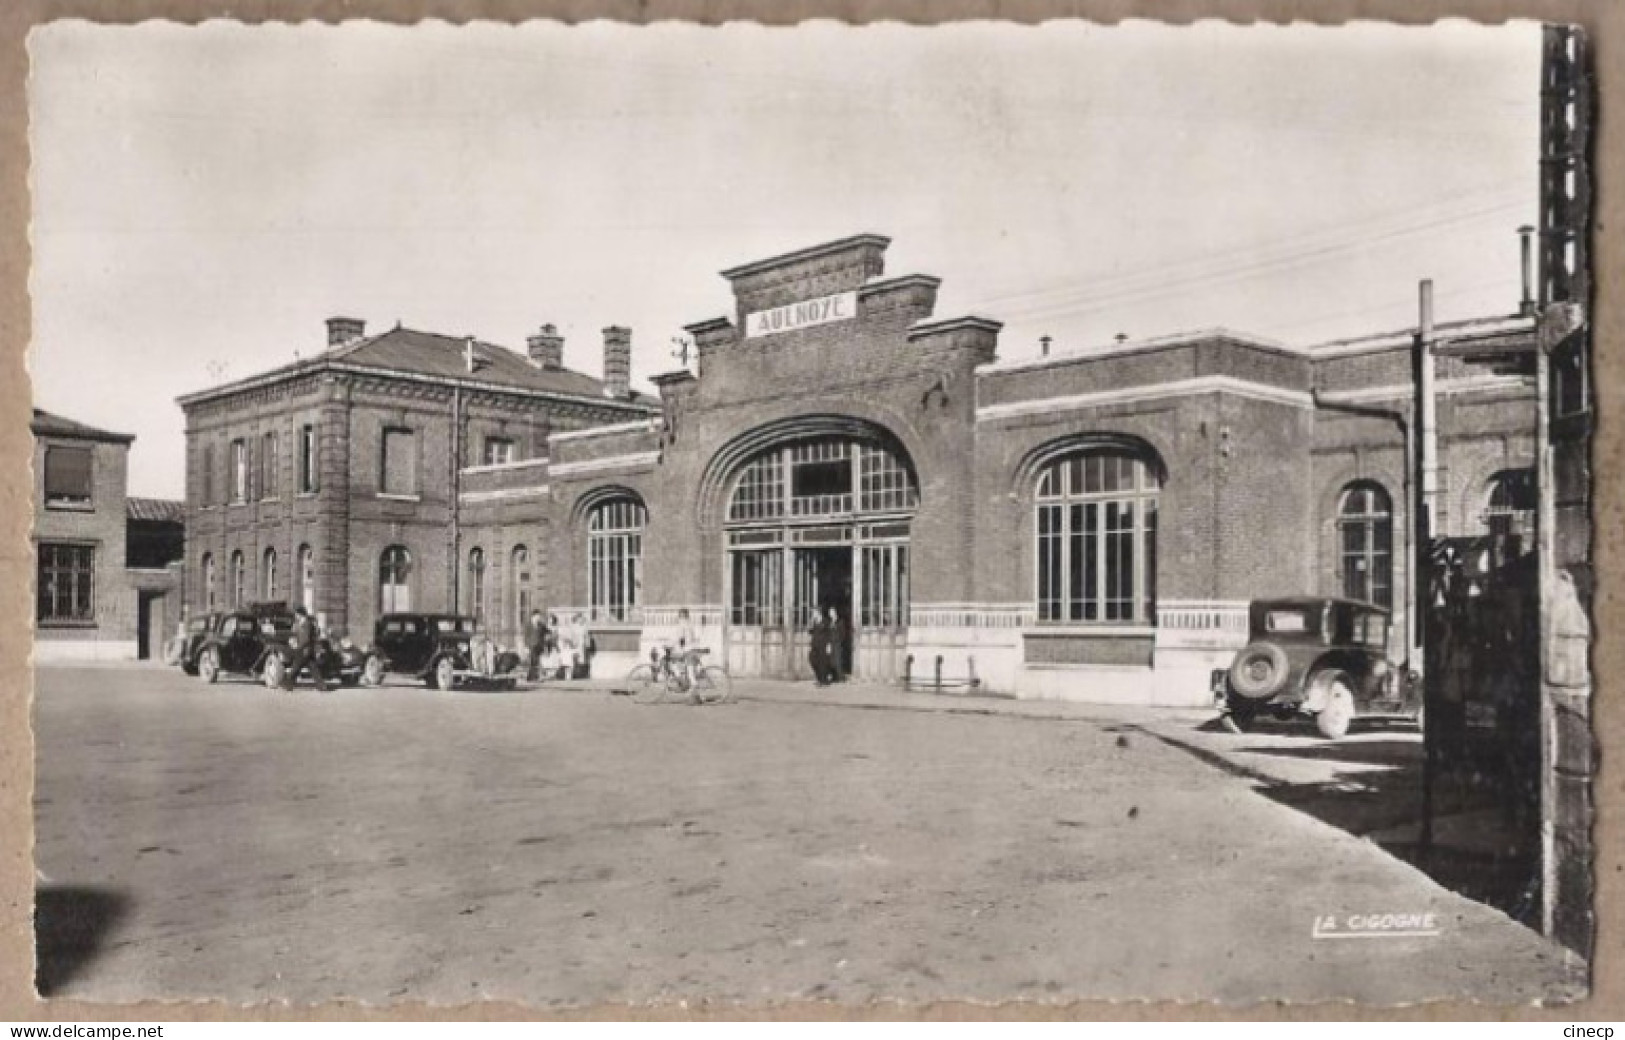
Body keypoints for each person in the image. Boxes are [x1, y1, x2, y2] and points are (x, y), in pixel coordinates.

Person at [282, 605, 329, 692]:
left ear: (300, 614)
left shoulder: (306, 624)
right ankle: (322, 687)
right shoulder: (300, 623)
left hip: (304, 650)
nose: (295, 616)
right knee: (313, 669)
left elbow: (305, 639)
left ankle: (287, 685)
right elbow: (296, 635)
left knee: (295, 668)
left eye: (296, 614)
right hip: (306, 650)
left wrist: (298, 647)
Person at [808, 608, 834, 686]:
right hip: (814, 645)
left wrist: (829, 645)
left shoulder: (825, 621)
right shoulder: (814, 622)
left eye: (814, 613)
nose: (813, 615)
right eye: (813, 613)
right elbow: (809, 631)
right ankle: (819, 678)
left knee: (822, 663)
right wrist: (812, 621)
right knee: (812, 659)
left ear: (819, 613)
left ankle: (823, 680)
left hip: (823, 645)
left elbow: (829, 633)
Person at [524, 609, 549, 682]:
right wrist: (526, 646)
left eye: (539, 616)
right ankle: (535, 676)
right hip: (531, 645)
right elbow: (526, 636)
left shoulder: (541, 625)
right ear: (533, 616)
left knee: (535, 661)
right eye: (537, 616)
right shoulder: (528, 625)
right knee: (534, 660)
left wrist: (548, 636)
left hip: (539, 645)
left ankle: (532, 676)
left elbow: (547, 631)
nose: (539, 618)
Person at [830, 605, 851, 682]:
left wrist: (839, 641)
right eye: (830, 612)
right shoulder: (830, 622)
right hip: (831, 643)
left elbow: (843, 633)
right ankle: (834, 676)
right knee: (832, 661)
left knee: (838, 660)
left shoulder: (840, 621)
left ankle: (840, 677)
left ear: (835, 613)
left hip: (837, 643)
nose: (831, 614)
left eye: (832, 612)